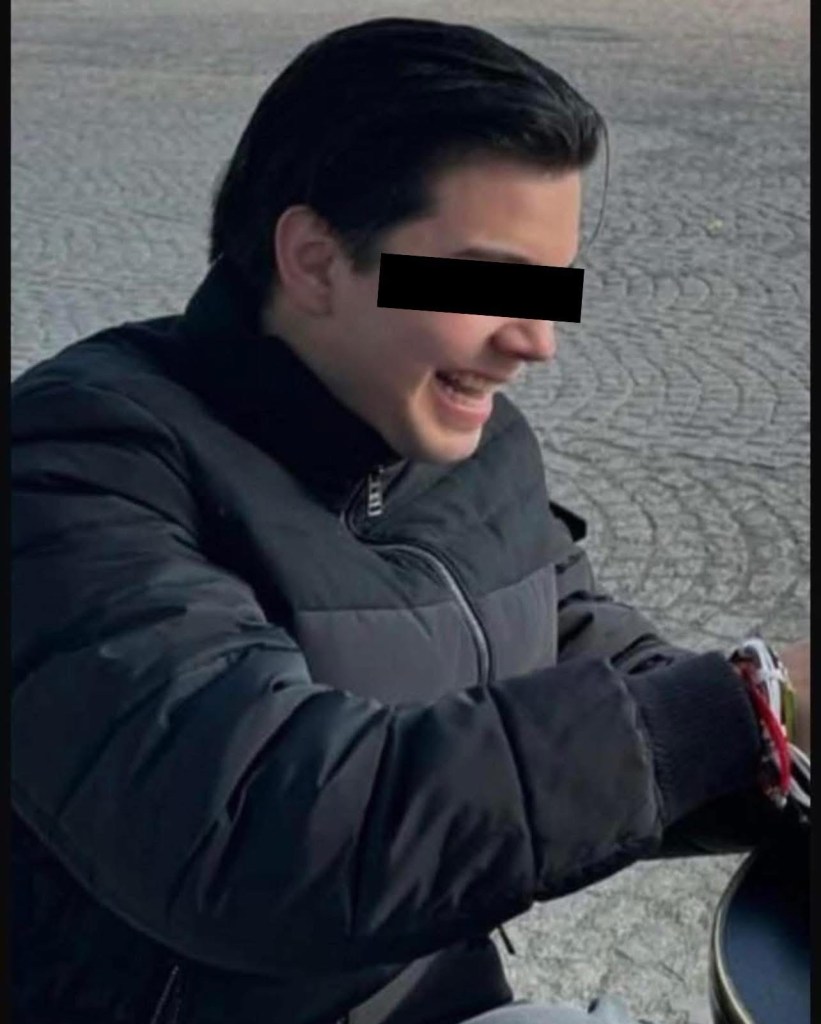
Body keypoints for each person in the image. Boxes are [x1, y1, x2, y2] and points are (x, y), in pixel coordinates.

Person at [10, 16, 810, 1024]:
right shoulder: (76, 464)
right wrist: (733, 710)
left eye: (550, 288)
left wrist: (782, 728)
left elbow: (585, 659)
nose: (535, 341)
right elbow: (256, 831)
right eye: (486, 281)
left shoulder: (471, 446)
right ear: (313, 260)